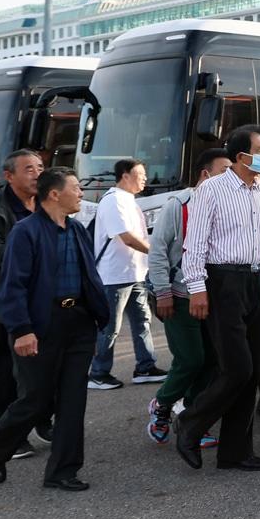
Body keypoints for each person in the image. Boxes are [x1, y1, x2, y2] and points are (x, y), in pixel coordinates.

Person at [0, 167, 109, 492]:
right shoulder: (26, 232)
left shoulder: (77, 229)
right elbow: (13, 286)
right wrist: (21, 330)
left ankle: (62, 471)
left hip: (78, 323)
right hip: (40, 323)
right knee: (36, 399)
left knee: (73, 400)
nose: (80, 194)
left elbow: (89, 276)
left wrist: (95, 322)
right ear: (54, 194)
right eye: (75, 188)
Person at [172, 124, 260, 473]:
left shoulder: (259, 192)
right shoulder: (211, 190)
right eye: (259, 149)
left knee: (251, 371)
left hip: (253, 281)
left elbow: (258, 242)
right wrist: (197, 287)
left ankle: (235, 452)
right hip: (223, 282)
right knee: (237, 367)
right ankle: (190, 422)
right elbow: (194, 243)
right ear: (241, 154)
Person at [145, 148, 230, 447]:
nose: (230, 177)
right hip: (181, 296)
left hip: (214, 297)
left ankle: (193, 418)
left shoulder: (230, 206)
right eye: (224, 170)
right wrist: (164, 292)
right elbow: (156, 253)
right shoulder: (178, 205)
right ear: (206, 174)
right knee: (191, 358)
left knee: (212, 361)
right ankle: (163, 405)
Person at [0, 150, 49, 458]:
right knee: (7, 372)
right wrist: (37, 256)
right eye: (29, 169)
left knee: (45, 367)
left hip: (44, 304)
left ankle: (44, 421)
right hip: (6, 307)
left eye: (40, 168)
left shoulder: (49, 202)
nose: (37, 174)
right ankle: (9, 435)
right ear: (9, 176)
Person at [88, 159, 164, 390]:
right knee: (110, 326)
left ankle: (145, 367)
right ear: (125, 175)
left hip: (135, 273)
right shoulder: (113, 201)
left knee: (143, 321)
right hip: (114, 276)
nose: (145, 178)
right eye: (140, 174)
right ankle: (98, 373)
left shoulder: (130, 200)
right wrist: (157, 253)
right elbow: (127, 237)